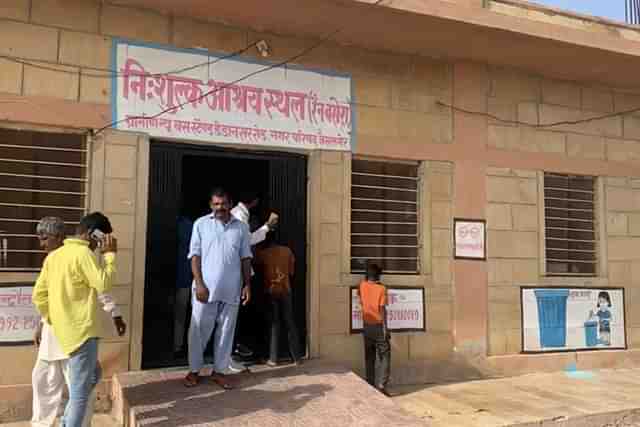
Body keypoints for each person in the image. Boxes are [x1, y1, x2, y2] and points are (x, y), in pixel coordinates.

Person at [31, 217, 126, 427]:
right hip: (81, 334)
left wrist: (53, 318)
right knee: (78, 393)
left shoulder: (55, 257)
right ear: (92, 233)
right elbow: (103, 283)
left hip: (64, 333)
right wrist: (110, 256)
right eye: (100, 238)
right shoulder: (83, 254)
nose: (100, 244)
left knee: (86, 378)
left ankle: (66, 421)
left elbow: (39, 296)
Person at [184, 188, 252, 389]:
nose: (219, 207)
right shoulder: (201, 224)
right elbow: (194, 256)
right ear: (210, 205)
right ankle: (194, 370)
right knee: (198, 331)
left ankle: (219, 371)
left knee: (226, 332)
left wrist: (247, 285)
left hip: (231, 290)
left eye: (223, 204)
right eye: (216, 204)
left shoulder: (241, 228)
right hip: (204, 291)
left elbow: (245, 258)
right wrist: (199, 284)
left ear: (230, 204)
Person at [228, 192, 278, 366]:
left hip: (238, 272)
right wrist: (266, 227)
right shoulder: (239, 214)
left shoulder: (238, 213)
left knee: (236, 313)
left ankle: (234, 348)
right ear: (255, 201)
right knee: (232, 314)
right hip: (236, 272)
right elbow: (247, 241)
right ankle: (230, 354)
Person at [254, 233, 302, 366]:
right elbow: (292, 272)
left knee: (274, 323)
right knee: (290, 322)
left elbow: (253, 261)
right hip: (286, 290)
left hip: (271, 291)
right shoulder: (287, 251)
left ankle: (273, 359)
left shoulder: (263, 253)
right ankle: (297, 358)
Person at [358, 262, 391, 396]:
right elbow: (382, 309)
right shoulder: (382, 289)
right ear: (378, 276)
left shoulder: (362, 285)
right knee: (385, 356)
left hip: (366, 325)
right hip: (378, 326)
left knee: (369, 356)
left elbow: (360, 299)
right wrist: (385, 328)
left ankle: (369, 383)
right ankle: (382, 385)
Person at [174, 214, 194, 356]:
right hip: (186, 278)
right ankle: (180, 346)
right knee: (185, 316)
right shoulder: (191, 226)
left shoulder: (184, 225)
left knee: (179, 316)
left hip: (183, 277)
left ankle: (177, 346)